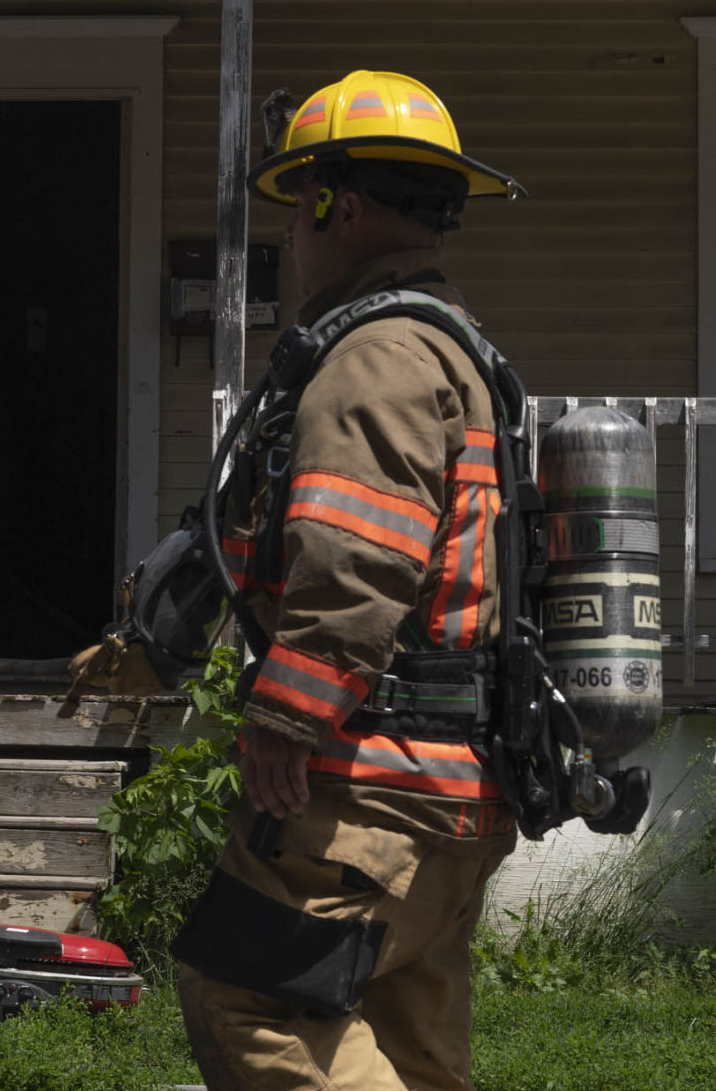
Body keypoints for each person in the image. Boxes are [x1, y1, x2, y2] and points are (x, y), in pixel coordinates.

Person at [175, 70, 525, 1091]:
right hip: (451, 790)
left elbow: (358, 552)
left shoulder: (371, 356)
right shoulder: (456, 348)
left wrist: (288, 714)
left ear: (341, 204)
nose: (292, 230)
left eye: (299, 203)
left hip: (368, 785)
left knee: (253, 995)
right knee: (403, 1037)